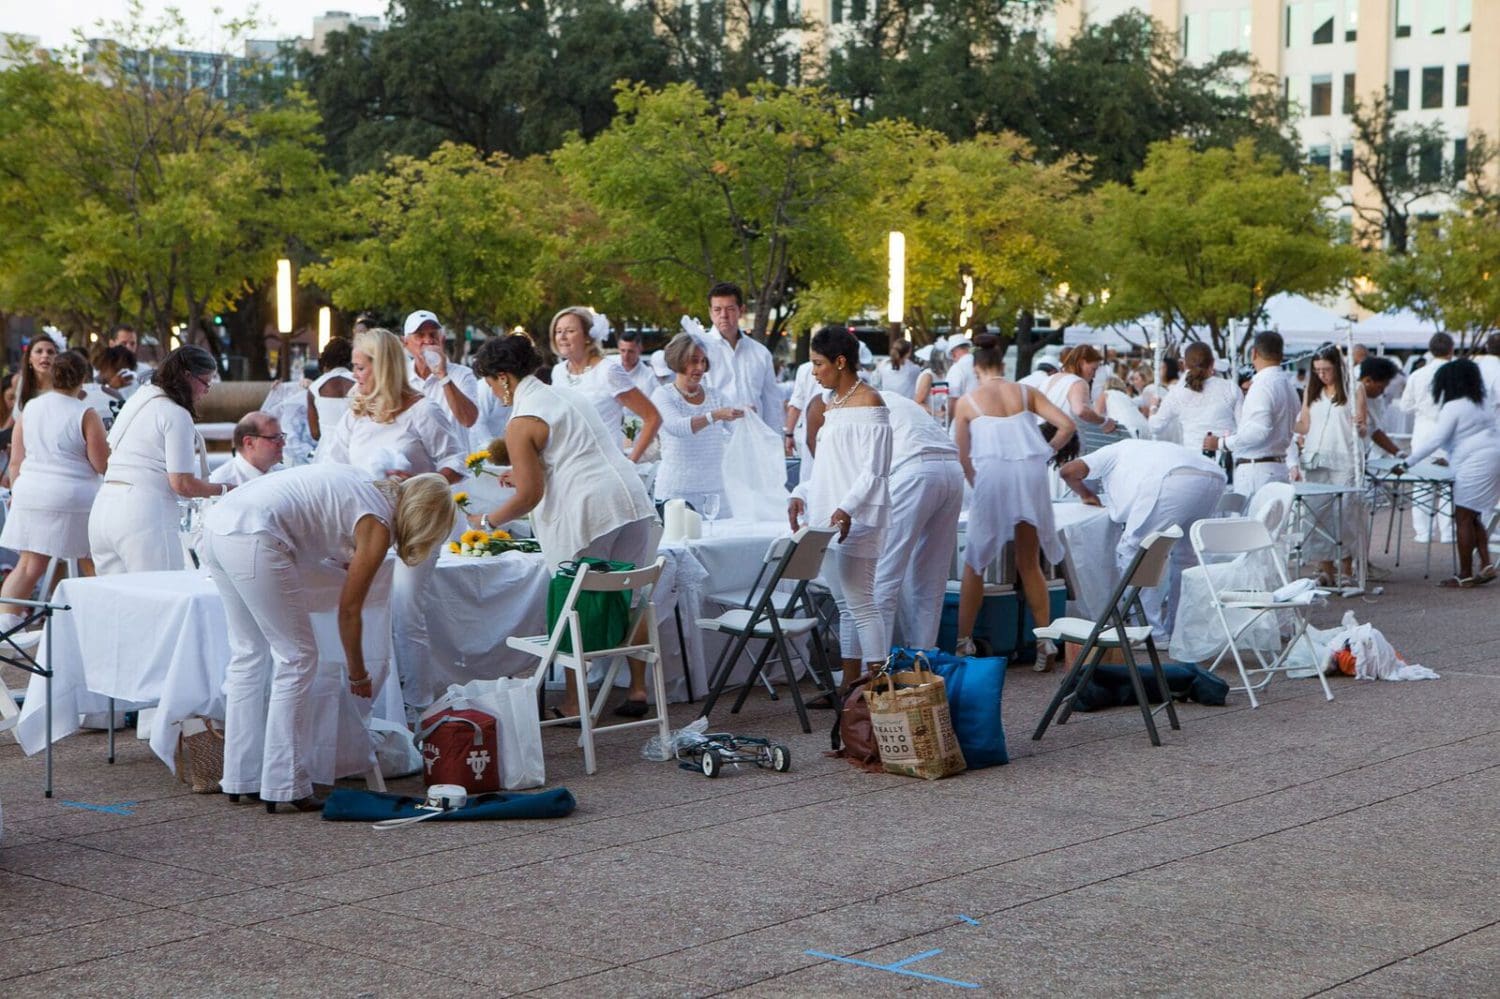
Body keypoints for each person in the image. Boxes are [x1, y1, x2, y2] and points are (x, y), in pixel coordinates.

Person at [204, 465, 453, 811]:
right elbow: (349, 612)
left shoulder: (366, 490)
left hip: (220, 526)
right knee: (297, 657)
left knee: (249, 653)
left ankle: (241, 776)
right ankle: (285, 784)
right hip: (256, 534)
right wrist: (358, 672)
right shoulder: (377, 524)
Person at [469, 334, 658, 718]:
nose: (492, 391)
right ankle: (638, 689)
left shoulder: (522, 420)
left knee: (577, 604)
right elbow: (571, 455)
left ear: (504, 377)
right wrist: (522, 474)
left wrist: (486, 521)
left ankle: (574, 704)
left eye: (490, 381)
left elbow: (530, 496)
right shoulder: (569, 395)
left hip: (591, 512)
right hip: (632, 501)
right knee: (632, 596)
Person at [318, 328, 466, 707]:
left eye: (361, 368)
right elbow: (331, 464)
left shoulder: (422, 410)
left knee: (405, 610)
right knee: (357, 605)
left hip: (416, 522)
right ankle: (374, 701)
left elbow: (456, 463)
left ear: (381, 368)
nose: (355, 376)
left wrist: (414, 482)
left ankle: (418, 705)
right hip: (365, 524)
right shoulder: (356, 409)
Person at [952, 335, 1077, 669]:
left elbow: (963, 457)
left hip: (993, 475)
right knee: (1029, 561)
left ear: (975, 367)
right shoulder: (1026, 392)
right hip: (1030, 475)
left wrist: (977, 484)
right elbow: (1067, 425)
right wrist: (1044, 452)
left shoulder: (967, 402)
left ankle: (963, 642)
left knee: (975, 563)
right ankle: (1044, 640)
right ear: (1002, 364)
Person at [788, 327, 892, 683]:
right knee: (846, 606)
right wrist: (800, 492)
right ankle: (850, 690)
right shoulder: (833, 403)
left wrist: (846, 507)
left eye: (818, 364)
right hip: (828, 514)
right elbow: (828, 464)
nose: (814, 372)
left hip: (857, 516)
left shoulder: (871, 403)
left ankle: (881, 692)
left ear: (841, 362)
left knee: (862, 603)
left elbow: (874, 472)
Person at [1060, 439, 1226, 639]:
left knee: (1136, 552)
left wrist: (1086, 495)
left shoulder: (1109, 452)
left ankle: (1149, 632)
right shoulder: (1142, 448)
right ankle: (1180, 630)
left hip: (1170, 479)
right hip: (1212, 476)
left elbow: (1068, 471)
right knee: (1186, 558)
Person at [0, 351, 108, 643]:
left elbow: (15, 460)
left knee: (28, 566)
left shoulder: (30, 408)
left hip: (30, 492)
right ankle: (106, 623)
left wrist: (17, 490)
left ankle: (6, 630)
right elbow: (102, 464)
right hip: (74, 498)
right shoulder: (85, 413)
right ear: (84, 378)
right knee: (92, 562)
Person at [88, 346, 225, 575]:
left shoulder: (139, 398)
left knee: (114, 602)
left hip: (103, 509)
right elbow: (182, 484)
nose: (207, 390)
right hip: (142, 514)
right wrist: (224, 489)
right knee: (162, 596)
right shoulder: (175, 413)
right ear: (187, 375)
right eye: (206, 382)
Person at [870, 392, 964, 651]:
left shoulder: (855, 405)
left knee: (883, 578)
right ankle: (921, 665)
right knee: (931, 581)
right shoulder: (896, 399)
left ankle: (874, 671)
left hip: (914, 471)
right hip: (951, 472)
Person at [1395, 359, 1500, 587]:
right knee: (1473, 516)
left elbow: (1437, 439)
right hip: (1492, 459)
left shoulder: (1454, 406)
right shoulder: (1483, 402)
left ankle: (1465, 574)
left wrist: (1407, 462)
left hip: (1474, 463)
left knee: (1462, 517)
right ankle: (1486, 563)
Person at [1293, 346, 1367, 584]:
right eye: (1317, 370)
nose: (1322, 375)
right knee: (1316, 514)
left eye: (1326, 369)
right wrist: (1286, 424)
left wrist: (1360, 425)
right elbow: (1304, 424)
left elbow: (1364, 429)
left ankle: (1346, 568)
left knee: (1345, 514)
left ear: (1337, 366)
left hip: (1343, 457)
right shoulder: (1311, 390)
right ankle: (1325, 568)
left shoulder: (1355, 388)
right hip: (1315, 458)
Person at [550, 306, 661, 463]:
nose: (562, 336)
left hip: (603, 466)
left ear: (587, 336)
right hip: (567, 464)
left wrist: (631, 462)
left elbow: (653, 417)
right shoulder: (558, 372)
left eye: (569, 331)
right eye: (558, 331)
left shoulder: (608, 371)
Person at [650, 332, 744, 514]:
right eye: (694, 360)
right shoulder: (663, 395)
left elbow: (737, 430)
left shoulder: (716, 395)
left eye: (703, 361)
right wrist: (715, 415)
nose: (700, 367)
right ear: (678, 360)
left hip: (716, 493)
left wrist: (745, 416)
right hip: (676, 493)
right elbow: (677, 427)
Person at [1206, 332, 1298, 497]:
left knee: (1251, 522)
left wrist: (1221, 443)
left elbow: (1258, 432)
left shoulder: (1263, 385)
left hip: (1258, 470)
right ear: (1281, 354)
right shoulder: (1288, 385)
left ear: (1254, 353)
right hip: (1277, 466)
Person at [703, 282, 784, 432]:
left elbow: (772, 402)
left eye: (730, 309)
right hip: (716, 441)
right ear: (710, 312)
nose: (723, 315)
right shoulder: (701, 350)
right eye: (717, 309)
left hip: (754, 438)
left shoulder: (760, 353)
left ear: (741, 310)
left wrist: (777, 440)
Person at [1399, 333, 1456, 544]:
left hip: (1423, 432)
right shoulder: (1456, 374)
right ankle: (1448, 532)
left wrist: (1422, 409)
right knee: (1449, 484)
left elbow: (1405, 406)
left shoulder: (1417, 374)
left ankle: (1423, 533)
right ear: (1451, 349)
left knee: (1422, 484)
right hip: (1449, 432)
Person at [1150, 343, 1240, 459]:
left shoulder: (1177, 393)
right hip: (1226, 459)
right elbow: (1243, 427)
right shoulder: (1230, 388)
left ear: (1184, 365)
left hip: (1194, 462)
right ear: (1212, 363)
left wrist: (1153, 407)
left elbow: (1155, 427)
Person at [404, 310, 479, 431]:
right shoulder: (400, 376)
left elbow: (468, 420)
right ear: (405, 343)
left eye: (433, 335)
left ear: (442, 340)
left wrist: (443, 375)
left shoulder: (463, 374)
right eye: (420, 335)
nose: (428, 341)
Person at [1043, 346, 1118, 441]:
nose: (1094, 375)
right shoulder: (1078, 382)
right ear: (1082, 363)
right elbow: (1081, 410)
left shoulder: (1050, 379)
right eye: (1093, 369)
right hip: (1067, 443)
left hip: (1043, 438)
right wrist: (1104, 422)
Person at [306, 337, 356, 457]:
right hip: (355, 448)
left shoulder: (315, 388)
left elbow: (315, 433)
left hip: (326, 452)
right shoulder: (360, 383)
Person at [211, 412, 286, 487]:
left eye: (281, 437)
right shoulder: (219, 484)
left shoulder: (285, 475)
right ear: (249, 442)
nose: (283, 443)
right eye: (274, 438)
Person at [4, 337, 58, 433]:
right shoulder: (21, 381)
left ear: (57, 358)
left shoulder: (64, 388)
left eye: (50, 352)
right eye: (39, 351)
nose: (45, 355)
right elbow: (16, 415)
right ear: (29, 358)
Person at [1359, 356, 1405, 459]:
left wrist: (1398, 453)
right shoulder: (1347, 399)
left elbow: (1375, 431)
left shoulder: (1376, 400)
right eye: (1380, 387)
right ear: (1367, 380)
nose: (1382, 392)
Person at [616, 328, 659, 398]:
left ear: (640, 349)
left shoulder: (649, 377)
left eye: (631, 351)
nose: (625, 356)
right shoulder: (608, 364)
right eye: (622, 350)